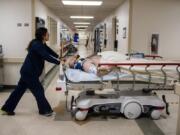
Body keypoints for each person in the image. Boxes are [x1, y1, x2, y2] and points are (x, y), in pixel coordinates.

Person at [0, 27, 60, 116]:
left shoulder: (41, 43)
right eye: (48, 34)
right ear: (43, 36)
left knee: (19, 90)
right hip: (29, 73)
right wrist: (59, 62)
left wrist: (58, 56)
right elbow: (46, 56)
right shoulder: (37, 45)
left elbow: (48, 51)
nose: (49, 36)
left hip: (27, 72)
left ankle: (6, 108)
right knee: (38, 90)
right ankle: (45, 110)